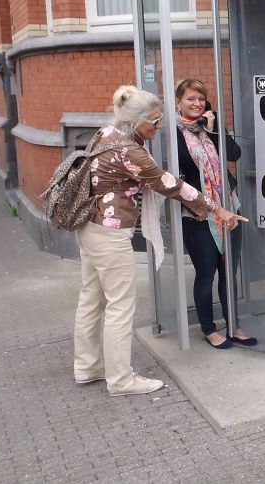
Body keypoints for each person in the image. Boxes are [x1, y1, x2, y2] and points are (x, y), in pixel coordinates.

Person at [73, 85, 246, 396]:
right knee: (119, 306)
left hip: (91, 227)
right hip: (110, 231)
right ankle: (121, 379)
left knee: (92, 300)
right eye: (154, 121)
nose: (159, 126)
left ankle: (87, 366)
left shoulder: (108, 132)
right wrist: (215, 207)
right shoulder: (128, 149)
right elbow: (171, 184)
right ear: (136, 120)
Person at [175, 78, 257, 349]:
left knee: (228, 273)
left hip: (229, 210)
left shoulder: (210, 127)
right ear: (179, 102)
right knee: (206, 274)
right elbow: (176, 178)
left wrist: (212, 130)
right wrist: (195, 207)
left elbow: (234, 154)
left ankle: (233, 324)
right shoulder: (175, 135)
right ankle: (209, 329)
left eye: (200, 99)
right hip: (199, 216)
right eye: (190, 99)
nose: (197, 104)